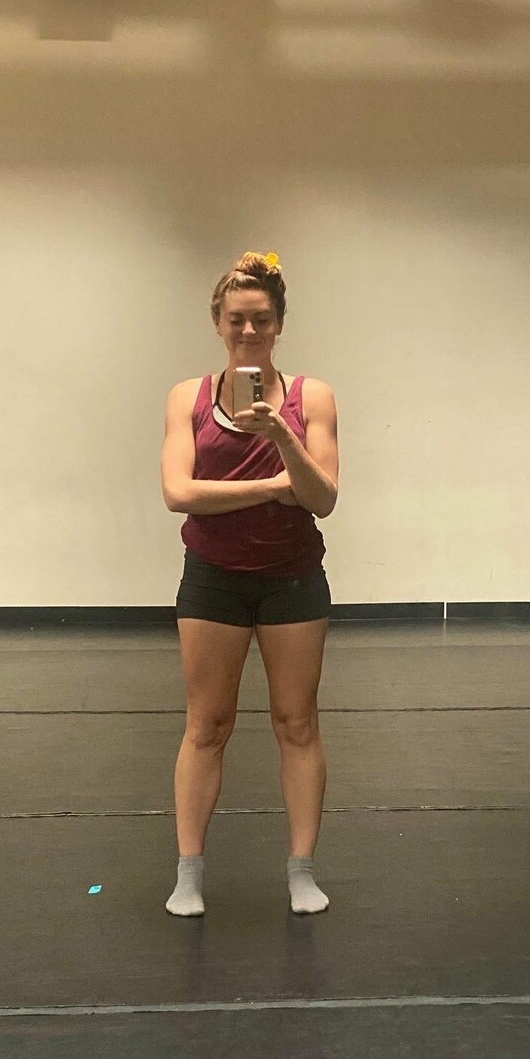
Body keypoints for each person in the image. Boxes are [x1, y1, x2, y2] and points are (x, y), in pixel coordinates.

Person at [159, 251, 339, 917]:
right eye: (236, 318)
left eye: (261, 319)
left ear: (279, 324)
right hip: (213, 580)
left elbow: (322, 498)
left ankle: (301, 871)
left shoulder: (311, 398)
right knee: (207, 724)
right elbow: (179, 493)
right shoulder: (188, 397)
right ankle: (188, 875)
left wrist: (284, 436)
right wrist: (272, 487)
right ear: (217, 323)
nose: (248, 330)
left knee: (298, 722)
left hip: (293, 579)